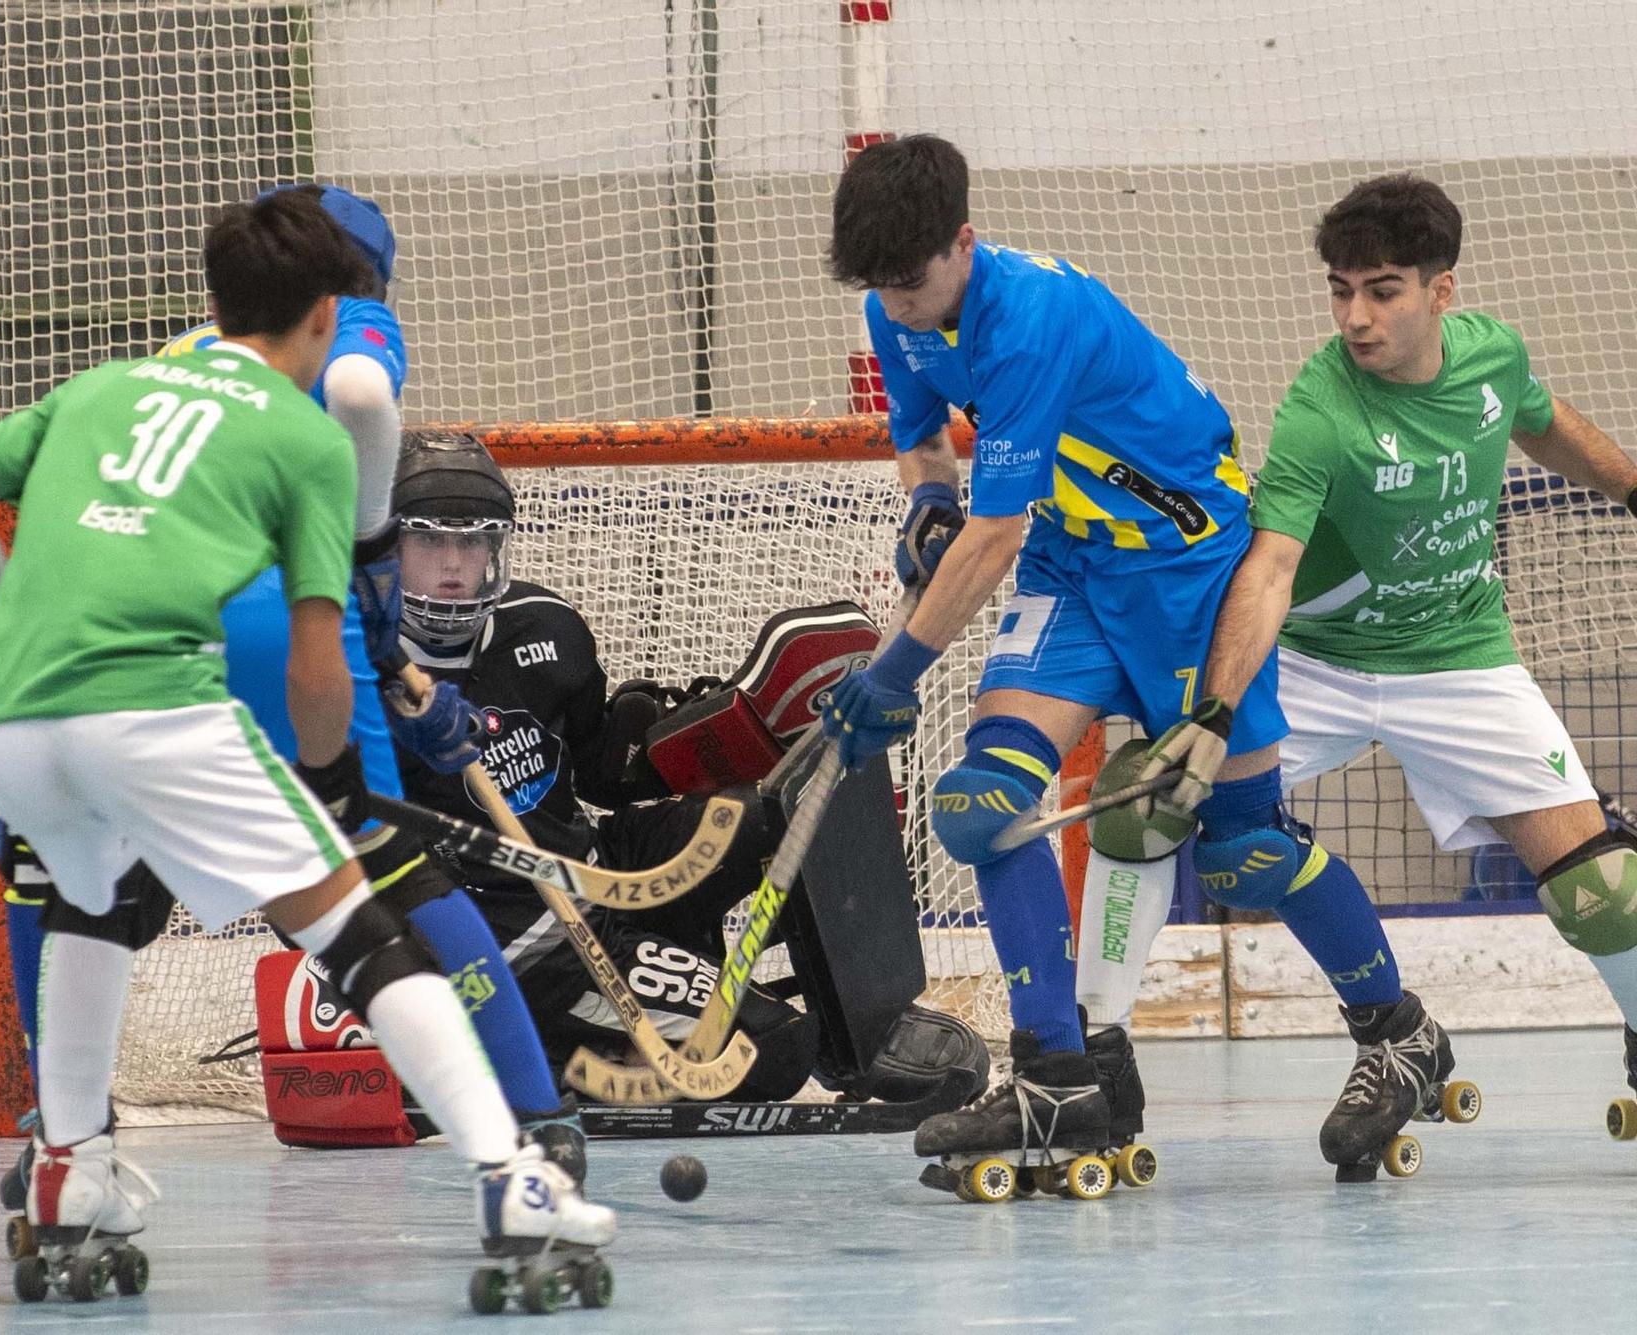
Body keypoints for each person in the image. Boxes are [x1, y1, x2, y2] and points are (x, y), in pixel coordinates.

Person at [0, 189, 610, 1296]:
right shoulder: (305, 420)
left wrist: (26, 623)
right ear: (329, 308)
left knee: (87, 902)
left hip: (8, 711)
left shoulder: (106, 383)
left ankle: (67, 1165)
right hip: (160, 698)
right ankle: (517, 1167)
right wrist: (331, 786)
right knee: (363, 919)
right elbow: (319, 658)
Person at [818, 134, 1410, 1183]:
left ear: (962, 241)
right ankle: (1053, 1076)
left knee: (1240, 852)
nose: (896, 305)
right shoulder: (891, 307)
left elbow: (988, 540)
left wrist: (892, 675)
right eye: (876, 286)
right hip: (1073, 564)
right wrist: (923, 496)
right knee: (979, 804)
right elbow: (924, 441)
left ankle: (1395, 1031)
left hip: (1189, 572)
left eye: (910, 281)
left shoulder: (1028, 318)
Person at [1120, 173, 1637, 1158]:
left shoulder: (1490, 355)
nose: (1354, 316)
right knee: (1145, 814)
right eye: (1338, 289)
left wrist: (1626, 487)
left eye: (1381, 290)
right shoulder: (1321, 406)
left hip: (1459, 662)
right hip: (1315, 667)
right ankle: (1087, 1054)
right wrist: (1215, 712)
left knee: (1601, 886)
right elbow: (1268, 569)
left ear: (1440, 291)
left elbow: (1534, 416)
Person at [387, 431, 984, 1105]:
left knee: (778, 817)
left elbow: (598, 779)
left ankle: (865, 1033)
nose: (453, 565)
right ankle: (539, 1050)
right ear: (387, 547)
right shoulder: (359, 672)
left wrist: (667, 739)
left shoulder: (548, 627)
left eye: (472, 541)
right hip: (517, 937)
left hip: (600, 869)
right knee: (774, 1050)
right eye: (430, 541)